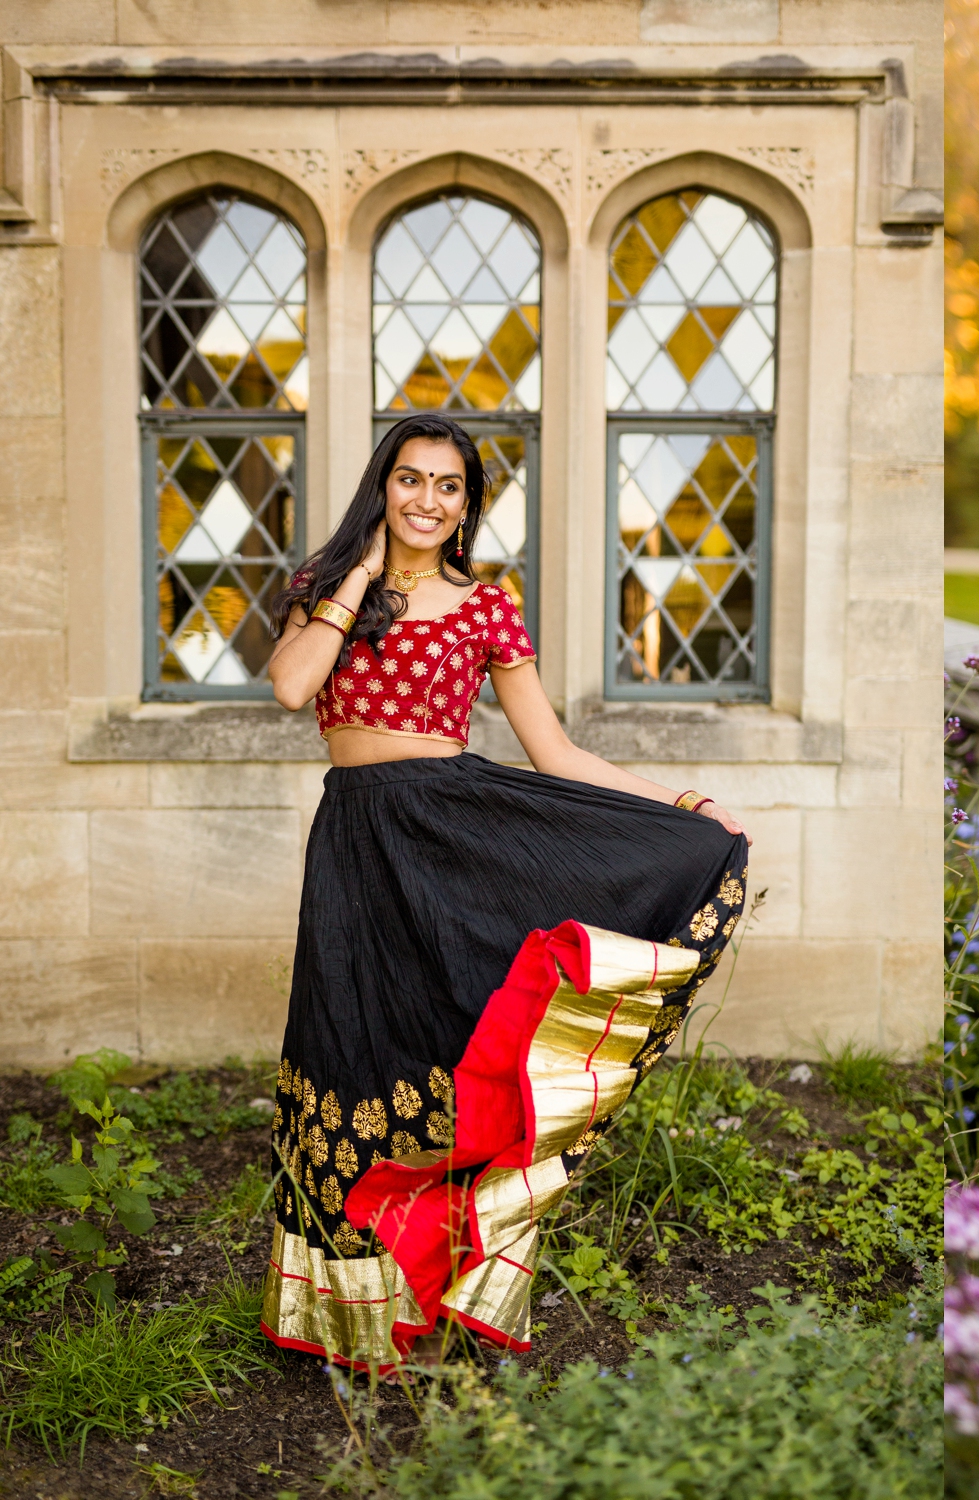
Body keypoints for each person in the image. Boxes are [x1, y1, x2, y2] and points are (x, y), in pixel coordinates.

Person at [256, 413, 751, 1374]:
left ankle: (453, 1283)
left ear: (468, 504)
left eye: (450, 487)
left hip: (454, 835)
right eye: (411, 480)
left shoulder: (487, 609)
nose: (428, 501)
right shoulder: (325, 592)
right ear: (383, 486)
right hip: (355, 838)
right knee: (347, 1044)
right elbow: (290, 688)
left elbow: (557, 752)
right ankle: (350, 1314)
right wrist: (357, 577)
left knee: (450, 1047)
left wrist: (683, 803)